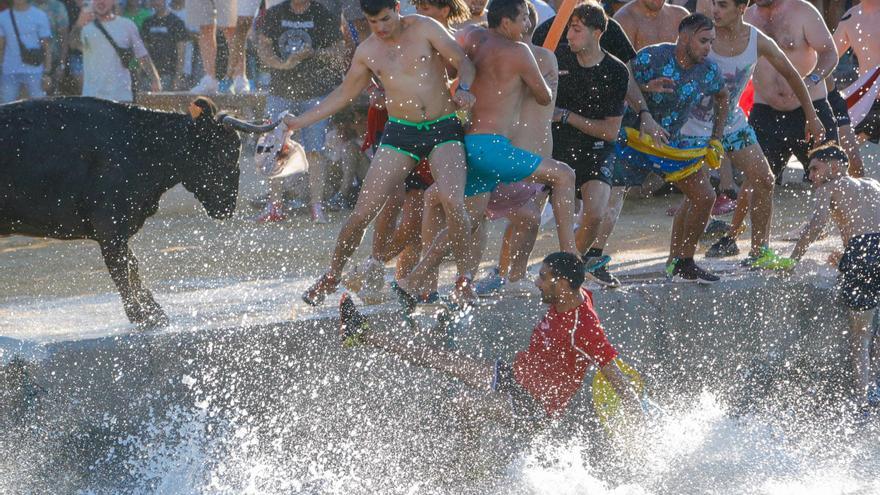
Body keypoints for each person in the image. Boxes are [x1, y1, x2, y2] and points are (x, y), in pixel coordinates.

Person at [284, 0, 478, 307]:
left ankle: (465, 280)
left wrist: (464, 86)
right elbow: (344, 94)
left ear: (398, 8)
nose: (381, 28)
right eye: (374, 23)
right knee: (362, 212)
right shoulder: (368, 51)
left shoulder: (426, 27)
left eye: (386, 19)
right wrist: (298, 122)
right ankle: (332, 275)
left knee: (453, 201)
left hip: (443, 126)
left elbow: (464, 62)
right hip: (401, 130)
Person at [393, 0, 578, 305]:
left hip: (470, 144)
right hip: (493, 148)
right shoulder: (522, 52)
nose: (529, 27)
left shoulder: (472, 37)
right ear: (507, 23)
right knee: (564, 174)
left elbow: (451, 57)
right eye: (524, 20)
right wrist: (538, 80)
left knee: (468, 220)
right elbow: (544, 98)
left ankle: (415, 279)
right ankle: (572, 258)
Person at [338, 252, 643, 428]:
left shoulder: (584, 327)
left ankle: (471, 477)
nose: (537, 282)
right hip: (517, 376)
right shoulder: (574, 293)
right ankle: (362, 334)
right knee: (439, 358)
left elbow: (611, 369)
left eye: (544, 277)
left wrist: (634, 412)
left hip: (534, 406)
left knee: (461, 405)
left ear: (562, 284)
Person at [680, 0, 823, 269]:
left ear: (741, 8)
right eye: (713, 4)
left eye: (722, 6)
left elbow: (792, 76)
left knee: (765, 179)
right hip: (695, 125)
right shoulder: (703, 34)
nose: (715, 11)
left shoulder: (757, 40)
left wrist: (811, 116)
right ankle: (679, 258)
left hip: (732, 122)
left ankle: (759, 252)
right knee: (696, 196)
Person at [616, 13, 729, 283]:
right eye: (703, 41)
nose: (708, 48)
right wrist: (645, 88)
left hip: (668, 146)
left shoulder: (708, 70)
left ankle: (683, 261)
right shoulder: (650, 58)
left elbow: (723, 97)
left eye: (711, 42)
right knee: (605, 203)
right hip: (630, 139)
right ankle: (585, 261)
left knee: (704, 196)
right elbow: (618, 84)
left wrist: (716, 137)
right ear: (685, 36)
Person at [788, 144, 880, 409]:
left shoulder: (829, 188)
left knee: (861, 336)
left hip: (861, 253)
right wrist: (845, 253)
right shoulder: (872, 183)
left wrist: (792, 261)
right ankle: (876, 388)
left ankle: (863, 400)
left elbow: (816, 226)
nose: (812, 176)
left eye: (816, 168)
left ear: (836, 165)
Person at [552, 2, 628, 275]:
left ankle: (569, 267)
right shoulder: (556, 58)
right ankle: (506, 273)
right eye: (568, 29)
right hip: (556, 144)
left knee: (595, 212)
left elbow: (610, 132)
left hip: (595, 146)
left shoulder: (616, 71)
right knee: (526, 212)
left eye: (575, 30)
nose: (568, 36)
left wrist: (566, 116)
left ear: (597, 33)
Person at [257, 0, 345, 223]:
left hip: (316, 93)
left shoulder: (322, 14)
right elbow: (263, 48)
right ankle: (274, 205)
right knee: (273, 146)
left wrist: (313, 53)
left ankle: (316, 206)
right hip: (280, 91)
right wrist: (281, 64)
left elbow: (338, 51)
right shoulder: (276, 13)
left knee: (316, 150)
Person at [744, 0, 839, 183]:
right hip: (765, 111)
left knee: (831, 181)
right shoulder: (745, 17)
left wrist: (812, 79)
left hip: (810, 109)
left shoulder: (802, 10)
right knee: (756, 184)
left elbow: (829, 53)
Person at [71, 0, 161, 101]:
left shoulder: (127, 25)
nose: (101, 2)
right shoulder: (86, 27)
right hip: (93, 97)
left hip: (121, 96)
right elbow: (73, 45)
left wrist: (155, 79)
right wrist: (79, 24)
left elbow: (142, 55)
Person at [831, 0, 880, 148]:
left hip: (869, 98)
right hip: (868, 101)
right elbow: (829, 57)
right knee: (843, 149)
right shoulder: (851, 16)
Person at [0, 0, 51, 103]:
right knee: (6, 108)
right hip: (10, 70)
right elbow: (1, 46)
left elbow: (46, 46)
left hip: (35, 71)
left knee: (39, 107)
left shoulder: (40, 15)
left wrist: (47, 72)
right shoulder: (2, 17)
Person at [141, 0, 189, 90]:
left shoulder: (177, 23)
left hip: (169, 74)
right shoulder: (147, 23)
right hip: (149, 76)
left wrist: (178, 78)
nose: (156, 3)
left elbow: (181, 53)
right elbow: (143, 52)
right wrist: (142, 73)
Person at [32, 0, 67, 94]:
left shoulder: (57, 7)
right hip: (30, 62)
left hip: (53, 60)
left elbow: (64, 38)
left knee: (52, 97)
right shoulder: (26, 5)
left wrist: (62, 64)